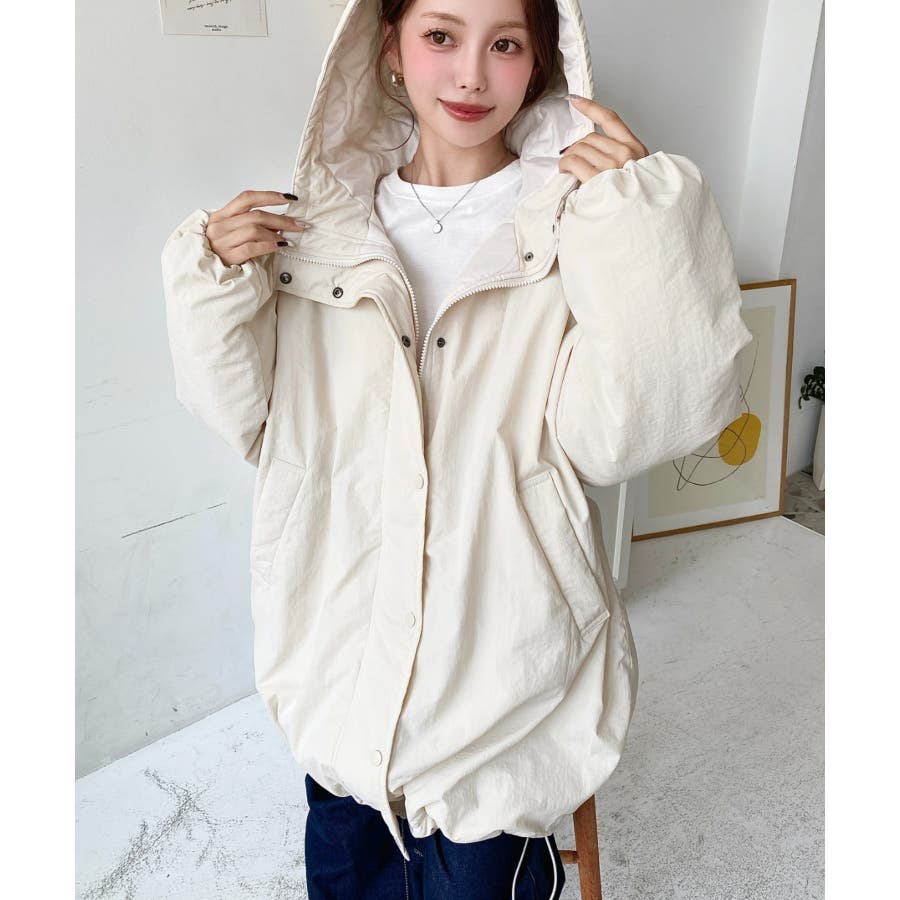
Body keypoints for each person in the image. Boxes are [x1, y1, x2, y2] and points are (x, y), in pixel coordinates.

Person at [160, 0, 754, 896]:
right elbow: (252, 424)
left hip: (500, 662)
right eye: (441, 35)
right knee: (346, 872)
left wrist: (645, 233)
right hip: (341, 646)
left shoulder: (573, 223)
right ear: (389, 49)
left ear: (540, 62)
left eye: (505, 43)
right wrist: (212, 285)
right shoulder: (314, 234)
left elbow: (626, 433)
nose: (472, 74)